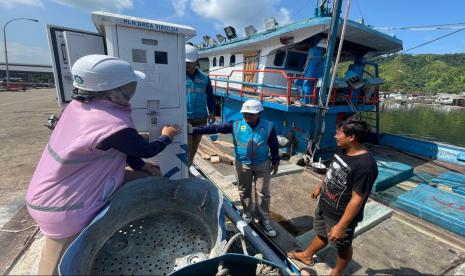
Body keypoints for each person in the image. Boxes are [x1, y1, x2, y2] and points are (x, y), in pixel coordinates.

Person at [26, 54, 181, 275]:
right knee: (64, 263)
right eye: (129, 85)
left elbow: (117, 146)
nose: (132, 90)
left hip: (47, 192)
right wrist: (167, 135)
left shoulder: (77, 107)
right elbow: (145, 149)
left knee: (147, 177)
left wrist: (139, 166)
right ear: (112, 91)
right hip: (63, 207)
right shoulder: (112, 124)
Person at [287, 120, 378, 276]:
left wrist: (342, 226)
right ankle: (307, 255)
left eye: (338, 133)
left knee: (343, 246)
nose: (335, 136)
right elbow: (332, 172)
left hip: (340, 216)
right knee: (321, 234)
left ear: (351, 137)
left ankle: (337, 272)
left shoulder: (366, 165)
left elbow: (357, 199)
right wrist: (320, 186)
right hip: (325, 206)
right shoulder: (343, 150)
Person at [192, 99, 279, 237]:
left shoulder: (267, 126)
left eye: (251, 113)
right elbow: (216, 128)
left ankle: (264, 220)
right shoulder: (236, 125)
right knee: (244, 190)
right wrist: (194, 130)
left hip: (262, 164)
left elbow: (274, 144)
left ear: (259, 113)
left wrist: (275, 160)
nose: (247, 116)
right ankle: (247, 213)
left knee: (263, 193)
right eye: (245, 113)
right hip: (242, 164)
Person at [185, 44, 216, 167]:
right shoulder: (178, 76)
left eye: (190, 62)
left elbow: (210, 95)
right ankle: (185, 170)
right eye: (185, 62)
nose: (187, 65)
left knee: (194, 147)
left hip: (201, 118)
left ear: (196, 61)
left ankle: (187, 167)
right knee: (186, 147)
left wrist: (212, 112)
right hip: (185, 118)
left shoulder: (205, 78)